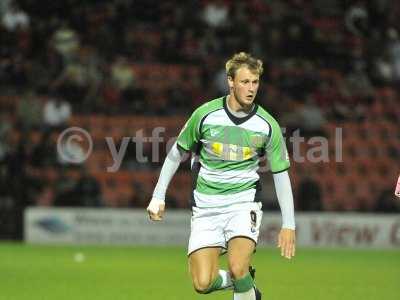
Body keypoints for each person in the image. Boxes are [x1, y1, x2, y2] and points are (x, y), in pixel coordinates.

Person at [147, 52, 296, 300]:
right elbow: (176, 154)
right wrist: (158, 195)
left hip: (243, 203)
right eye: (245, 82)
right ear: (230, 81)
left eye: (255, 82)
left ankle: (242, 280)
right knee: (203, 283)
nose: (251, 89)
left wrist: (288, 225)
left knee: (238, 267)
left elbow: (281, 175)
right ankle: (247, 286)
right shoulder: (205, 115)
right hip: (206, 207)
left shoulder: (267, 124)